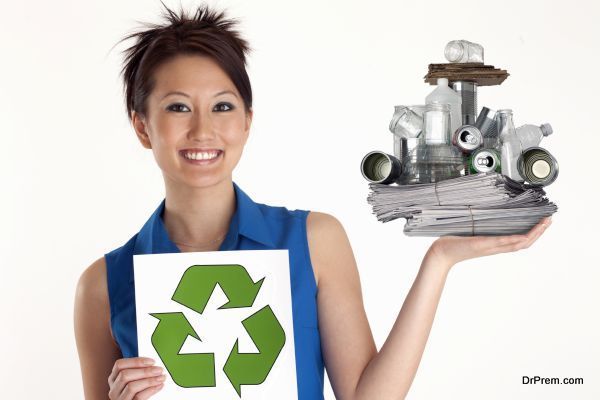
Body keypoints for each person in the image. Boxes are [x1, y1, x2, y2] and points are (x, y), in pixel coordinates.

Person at [73, 3, 552, 399]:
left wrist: (439, 260)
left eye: (223, 106)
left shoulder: (314, 241)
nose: (203, 130)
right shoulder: (103, 284)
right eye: (178, 107)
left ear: (246, 121)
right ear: (142, 126)